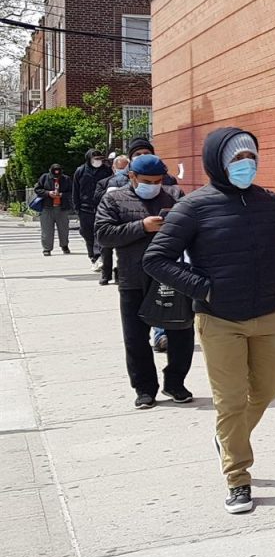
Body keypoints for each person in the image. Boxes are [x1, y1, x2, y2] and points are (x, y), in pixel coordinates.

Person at [142, 129, 275, 515]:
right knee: (230, 400)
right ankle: (238, 477)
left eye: (251, 157)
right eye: (237, 159)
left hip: (272, 316)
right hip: (220, 320)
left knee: (265, 390)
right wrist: (206, 290)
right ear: (217, 162)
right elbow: (157, 259)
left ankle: (228, 439)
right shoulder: (193, 207)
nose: (246, 165)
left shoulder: (271, 203)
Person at [95, 155, 194, 410]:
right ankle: (144, 389)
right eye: (147, 181)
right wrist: (142, 226)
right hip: (133, 278)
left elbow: (192, 229)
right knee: (136, 338)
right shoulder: (114, 199)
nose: (153, 185)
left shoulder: (174, 195)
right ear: (132, 177)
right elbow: (104, 235)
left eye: (158, 180)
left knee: (181, 332)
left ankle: (175, 383)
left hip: (171, 277)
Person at [73, 149, 113, 270]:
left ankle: (100, 256)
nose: (98, 161)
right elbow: (75, 190)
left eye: (100, 158)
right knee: (87, 234)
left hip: (102, 206)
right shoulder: (80, 171)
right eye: (95, 159)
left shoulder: (106, 170)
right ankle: (93, 256)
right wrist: (77, 208)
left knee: (99, 232)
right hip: (85, 208)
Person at [96, 156, 131, 285]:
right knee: (106, 248)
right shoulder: (104, 182)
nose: (122, 170)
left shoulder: (133, 180)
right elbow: (96, 198)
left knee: (124, 249)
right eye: (120, 168)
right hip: (108, 217)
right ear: (114, 168)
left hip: (125, 217)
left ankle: (119, 272)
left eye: (124, 167)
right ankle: (106, 274)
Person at [34, 163, 73, 256]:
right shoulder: (44, 177)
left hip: (62, 208)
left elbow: (72, 191)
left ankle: (64, 245)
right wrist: (48, 193)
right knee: (47, 230)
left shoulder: (66, 179)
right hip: (47, 208)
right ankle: (47, 248)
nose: (57, 175)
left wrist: (62, 195)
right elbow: (37, 189)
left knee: (64, 229)